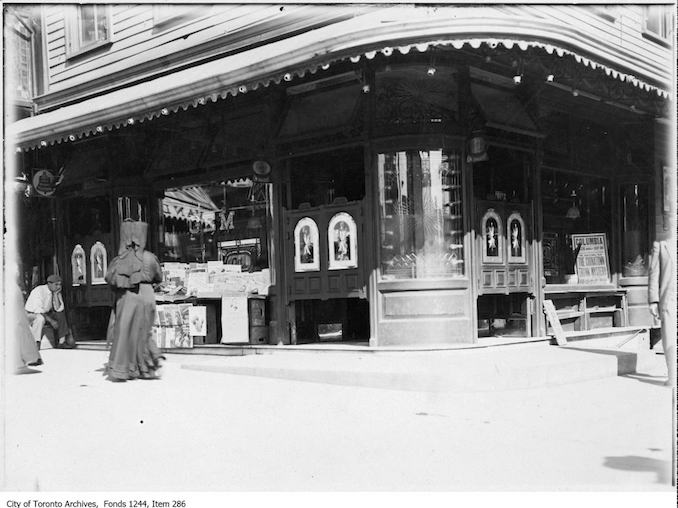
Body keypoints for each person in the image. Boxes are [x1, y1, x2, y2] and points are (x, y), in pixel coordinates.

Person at [105, 220, 164, 381]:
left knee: (125, 332)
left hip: (126, 296)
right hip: (147, 295)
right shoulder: (150, 257)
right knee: (143, 332)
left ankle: (125, 369)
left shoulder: (119, 259)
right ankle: (146, 367)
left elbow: (109, 277)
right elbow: (158, 276)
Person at [648, 238, 676, 387]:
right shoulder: (661, 245)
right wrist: (653, 300)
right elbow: (654, 272)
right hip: (670, 298)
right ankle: (673, 376)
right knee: (670, 337)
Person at [24, 274, 76, 349]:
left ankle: (61, 342)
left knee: (60, 314)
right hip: (31, 314)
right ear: (49, 284)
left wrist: (55, 295)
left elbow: (59, 308)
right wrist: (51, 321)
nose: (59, 287)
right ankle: (36, 342)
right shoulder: (39, 290)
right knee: (40, 319)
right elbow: (38, 310)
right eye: (56, 284)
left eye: (60, 285)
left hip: (45, 313)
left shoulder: (55, 291)